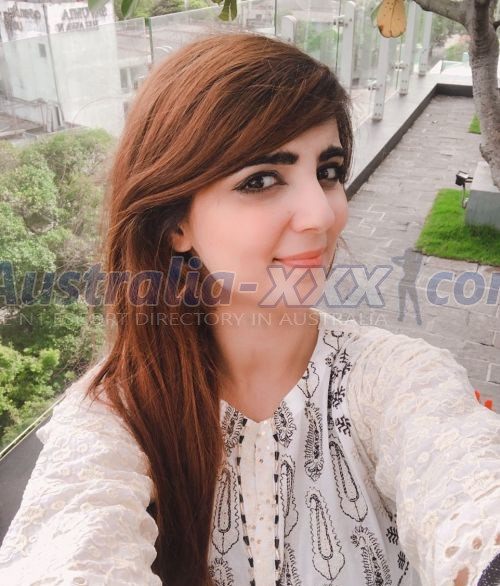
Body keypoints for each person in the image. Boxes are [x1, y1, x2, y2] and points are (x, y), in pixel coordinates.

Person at [0, 31, 498, 586]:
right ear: (176, 225)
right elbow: (72, 540)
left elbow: (467, 481)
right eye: (261, 180)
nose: (321, 214)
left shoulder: (395, 379)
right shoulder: (114, 416)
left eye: (328, 171)